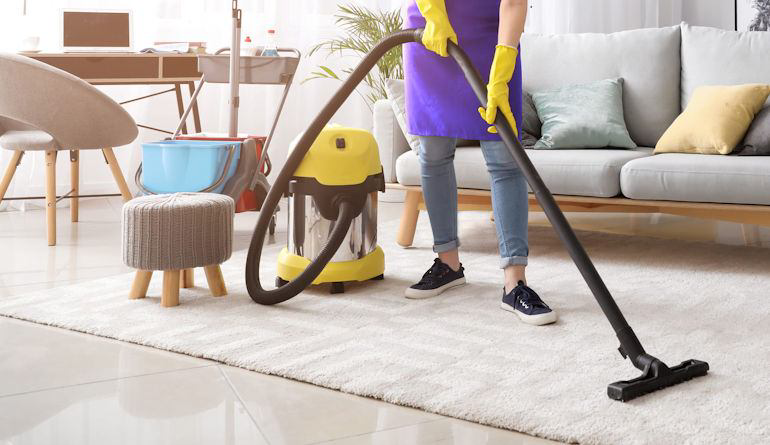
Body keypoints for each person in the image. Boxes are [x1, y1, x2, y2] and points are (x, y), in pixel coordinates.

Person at [403, 0, 557, 325]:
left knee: (505, 160)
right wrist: (433, 14)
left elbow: (515, 3)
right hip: (432, 35)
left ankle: (515, 282)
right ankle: (447, 264)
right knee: (432, 154)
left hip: (493, 38)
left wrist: (501, 73)